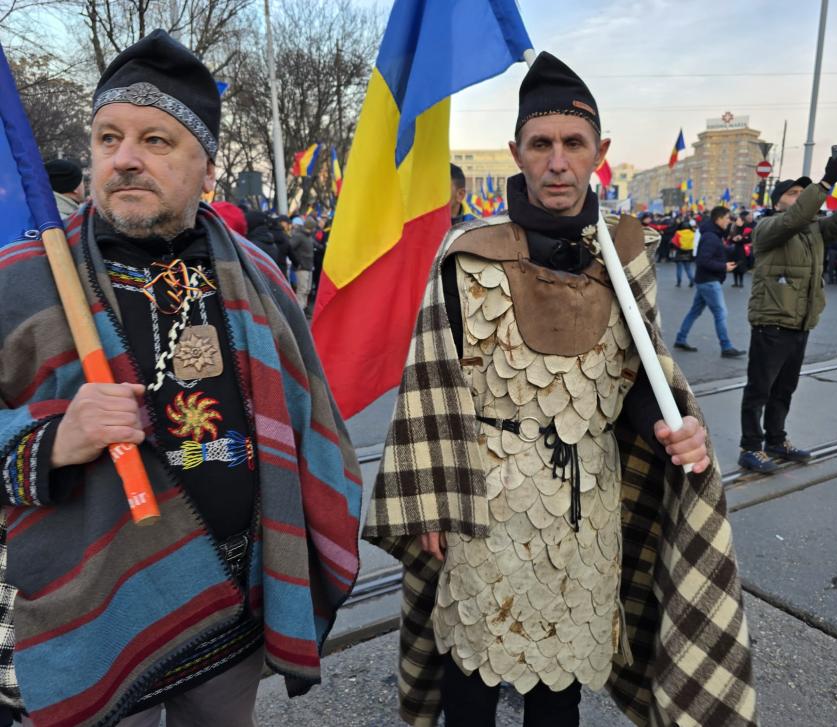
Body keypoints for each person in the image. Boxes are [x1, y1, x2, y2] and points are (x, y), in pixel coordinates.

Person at [362, 52, 756, 727]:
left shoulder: (625, 258)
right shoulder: (467, 255)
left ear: (598, 152)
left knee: (559, 691)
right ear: (517, 151)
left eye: (573, 144)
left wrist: (676, 429)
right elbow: (431, 384)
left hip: (586, 514)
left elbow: (637, 384)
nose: (556, 161)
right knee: (469, 679)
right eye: (540, 144)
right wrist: (427, 497)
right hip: (481, 510)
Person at [0, 30, 360, 726]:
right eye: (108, 138)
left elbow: (315, 427)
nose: (125, 159)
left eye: (156, 141)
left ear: (208, 169)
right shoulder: (21, 281)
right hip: (96, 620)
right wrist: (51, 440)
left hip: (233, 608)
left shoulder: (262, 280)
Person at [738, 158, 837, 473]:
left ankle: (776, 440)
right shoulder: (768, 226)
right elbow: (794, 218)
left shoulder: (813, 231)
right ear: (778, 200)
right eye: (795, 192)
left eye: (803, 192)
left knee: (785, 388)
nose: (801, 196)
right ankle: (750, 447)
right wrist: (823, 184)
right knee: (760, 389)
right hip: (772, 320)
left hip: (801, 320)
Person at [673, 206, 745, 357]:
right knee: (721, 313)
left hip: (704, 280)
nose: (728, 221)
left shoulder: (712, 234)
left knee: (694, 311)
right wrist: (723, 266)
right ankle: (726, 347)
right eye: (727, 218)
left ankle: (680, 338)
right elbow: (702, 260)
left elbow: (718, 249)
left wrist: (733, 236)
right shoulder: (711, 237)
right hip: (709, 281)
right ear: (718, 219)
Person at [288, 215, 315, 312]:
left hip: (308, 266)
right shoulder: (299, 236)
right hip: (302, 267)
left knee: (306, 290)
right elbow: (290, 247)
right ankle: (299, 311)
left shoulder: (307, 236)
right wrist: (298, 262)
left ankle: (302, 308)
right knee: (302, 290)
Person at [671, 218, 696, 286]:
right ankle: (691, 280)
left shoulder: (678, 233)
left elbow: (674, 242)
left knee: (679, 268)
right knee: (688, 268)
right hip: (688, 252)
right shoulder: (692, 233)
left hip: (679, 251)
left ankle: (679, 282)